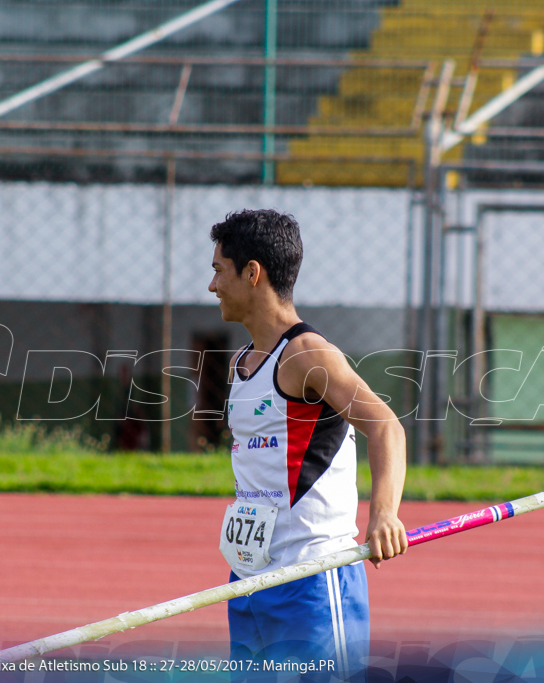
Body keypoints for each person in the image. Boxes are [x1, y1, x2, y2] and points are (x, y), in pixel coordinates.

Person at [208, 209, 408, 680]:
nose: (212, 286)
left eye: (218, 270)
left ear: (251, 273)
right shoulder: (242, 362)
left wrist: (384, 512)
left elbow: (384, 426)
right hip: (249, 582)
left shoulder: (307, 354)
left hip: (312, 583)